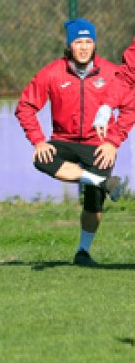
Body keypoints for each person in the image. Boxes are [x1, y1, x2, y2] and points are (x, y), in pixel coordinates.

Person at [15, 19, 128, 266]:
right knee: (41, 159)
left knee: (94, 201)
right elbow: (25, 107)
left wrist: (112, 142)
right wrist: (38, 141)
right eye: (78, 42)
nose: (84, 47)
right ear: (69, 45)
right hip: (63, 140)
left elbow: (129, 108)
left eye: (89, 41)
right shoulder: (52, 72)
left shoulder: (111, 73)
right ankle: (102, 181)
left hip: (98, 145)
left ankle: (83, 252)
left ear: (95, 43)